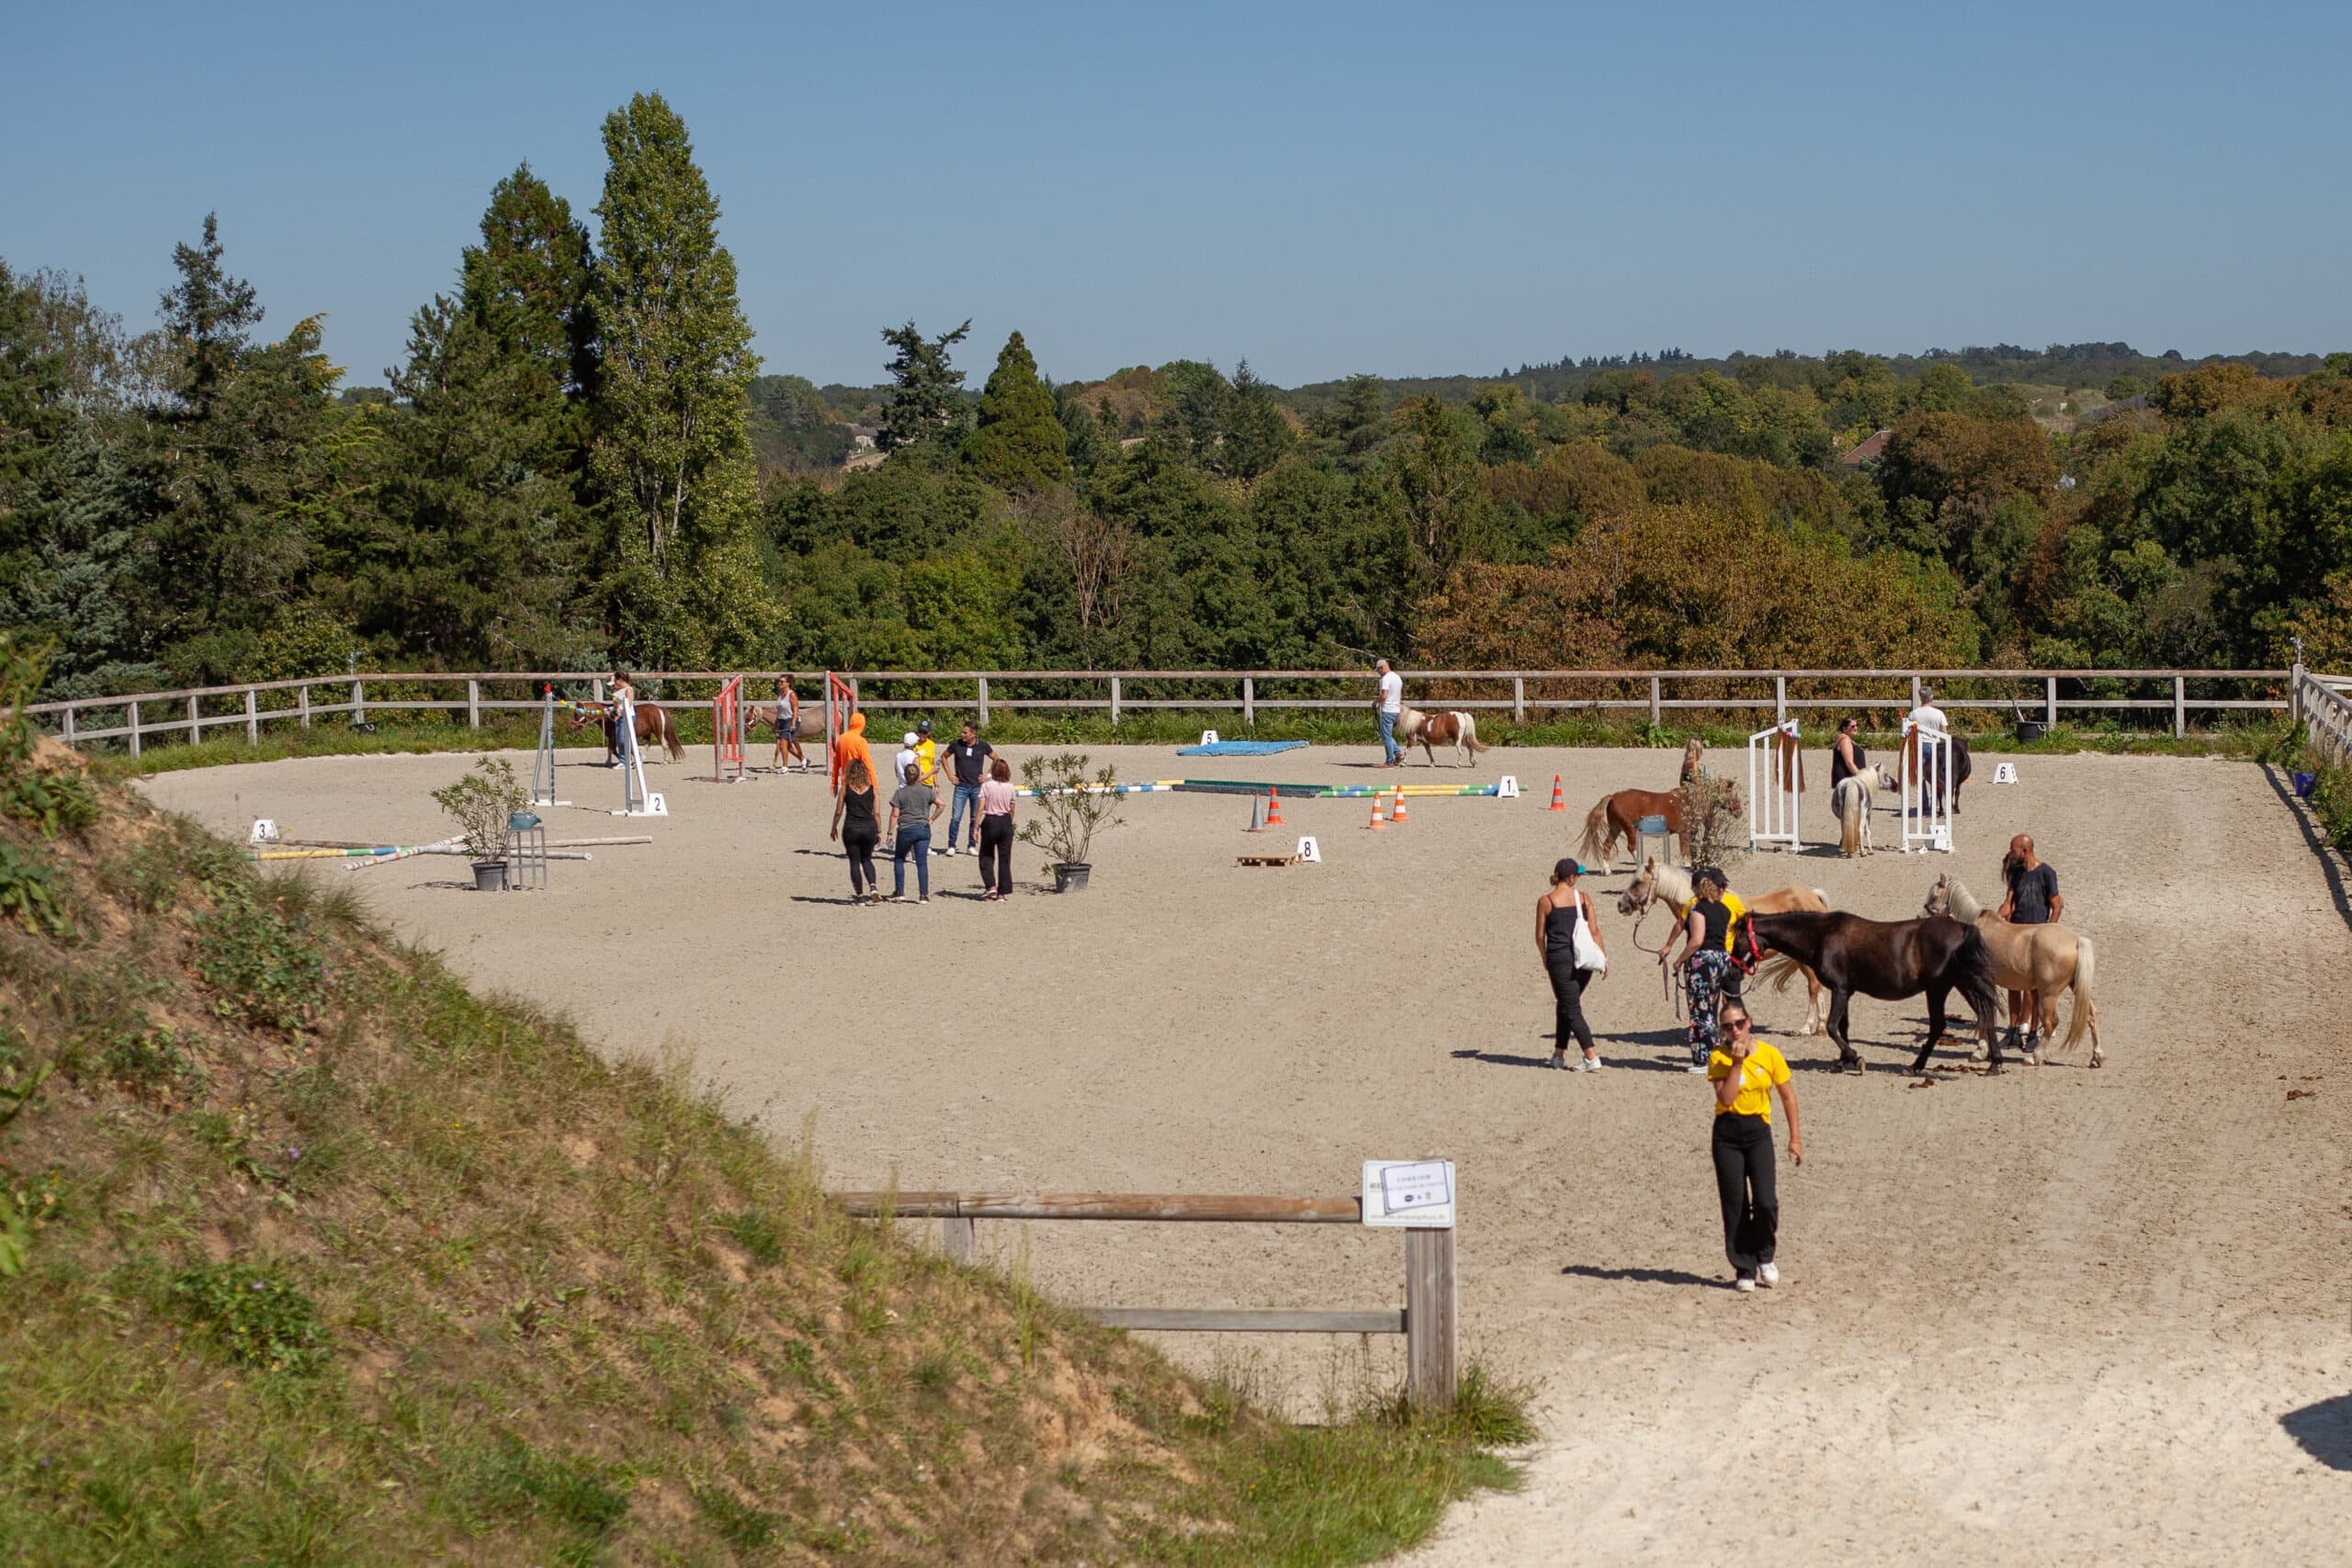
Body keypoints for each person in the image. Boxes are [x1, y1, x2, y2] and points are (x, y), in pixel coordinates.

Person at [1708, 1002, 1803, 1292]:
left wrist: (1795, 1138)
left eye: (1738, 1024)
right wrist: (1736, 1064)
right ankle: (1744, 1267)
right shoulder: (1718, 1057)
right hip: (1727, 1135)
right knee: (1735, 1203)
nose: (1734, 1031)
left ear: (1749, 1023)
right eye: (1727, 1026)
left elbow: (1787, 1097)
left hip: (1758, 1132)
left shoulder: (1770, 1054)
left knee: (1764, 1200)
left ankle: (1765, 1255)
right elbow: (1726, 1098)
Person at [1665, 867, 1739, 1073]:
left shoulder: (1697, 910)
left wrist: (1679, 960)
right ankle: (1714, 1055)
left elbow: (1696, 940)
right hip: (1722, 959)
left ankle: (1704, 1059)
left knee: (1700, 1011)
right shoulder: (1724, 910)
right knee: (1711, 1008)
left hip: (1703, 962)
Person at [1536, 859, 1607, 1070]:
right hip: (1584, 960)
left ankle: (1591, 1056)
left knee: (1571, 1008)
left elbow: (1540, 937)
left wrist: (1544, 957)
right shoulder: (1584, 898)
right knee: (1565, 1005)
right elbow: (1595, 931)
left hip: (1561, 960)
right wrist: (1603, 957)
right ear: (1572, 877)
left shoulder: (1546, 901)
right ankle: (1558, 1055)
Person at [1996, 833, 2064, 1051]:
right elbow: (2009, 903)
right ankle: (2013, 1031)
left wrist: (2050, 930)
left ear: (2025, 851)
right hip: (2016, 933)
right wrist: (1995, 923)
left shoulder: (2047, 873)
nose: (2011, 853)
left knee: (2035, 988)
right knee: (2012, 985)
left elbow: (2057, 904)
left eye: (2013, 849)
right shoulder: (2016, 873)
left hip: (2036, 937)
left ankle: (2034, 1033)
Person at [888, 761, 941, 903]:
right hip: (923, 828)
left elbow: (894, 814)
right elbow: (941, 805)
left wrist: (889, 833)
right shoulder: (926, 790)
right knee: (922, 862)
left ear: (905, 776)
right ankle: (923, 894)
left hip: (906, 829)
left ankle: (900, 891)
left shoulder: (900, 793)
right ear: (919, 776)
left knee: (899, 859)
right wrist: (931, 819)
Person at [829, 758, 881, 904]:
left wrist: (833, 828)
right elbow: (876, 813)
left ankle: (859, 896)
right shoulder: (873, 789)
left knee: (854, 863)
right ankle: (873, 887)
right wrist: (879, 831)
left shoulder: (845, 789)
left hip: (851, 828)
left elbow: (838, 811)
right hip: (869, 827)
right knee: (867, 860)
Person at [938, 721, 994, 857]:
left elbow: (996, 759)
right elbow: (943, 757)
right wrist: (950, 775)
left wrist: (988, 775)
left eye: (965, 733)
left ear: (973, 734)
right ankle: (951, 845)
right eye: (962, 732)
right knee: (956, 817)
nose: (962, 735)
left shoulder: (983, 746)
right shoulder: (956, 744)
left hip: (976, 787)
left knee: (975, 817)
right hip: (961, 787)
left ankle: (971, 845)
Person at [978, 754, 1018, 899]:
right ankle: (1002, 892)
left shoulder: (987, 786)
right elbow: (1012, 807)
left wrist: (975, 826)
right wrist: (1009, 821)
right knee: (1005, 858)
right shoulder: (1010, 787)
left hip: (990, 820)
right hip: (1005, 821)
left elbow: (980, 808)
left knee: (986, 855)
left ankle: (991, 885)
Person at [830, 710, 874, 795]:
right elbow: (868, 764)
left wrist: (834, 783)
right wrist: (874, 785)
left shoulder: (841, 739)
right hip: (859, 782)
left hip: (845, 781)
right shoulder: (861, 741)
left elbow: (836, 764)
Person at [1374, 659, 1404, 767]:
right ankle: (1398, 753)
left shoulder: (1386, 679)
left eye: (1378, 670)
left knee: (1386, 736)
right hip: (1396, 710)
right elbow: (1400, 696)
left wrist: (1375, 702)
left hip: (1387, 709)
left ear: (1382, 668)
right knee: (1387, 734)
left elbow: (1384, 695)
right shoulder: (1397, 678)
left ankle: (1389, 761)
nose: (1378, 673)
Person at [771, 677, 805, 773]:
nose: (779, 683)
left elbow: (795, 710)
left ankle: (785, 767)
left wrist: (793, 723)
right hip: (782, 720)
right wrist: (775, 724)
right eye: (779, 681)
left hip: (790, 720)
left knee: (782, 743)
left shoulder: (792, 695)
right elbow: (779, 712)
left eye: (782, 681)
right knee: (789, 747)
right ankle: (803, 760)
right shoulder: (780, 694)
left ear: (788, 683)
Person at [1829, 715, 1867, 791]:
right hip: (1848, 782)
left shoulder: (1847, 739)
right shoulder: (1845, 740)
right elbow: (1849, 763)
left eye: (1856, 725)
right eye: (1852, 726)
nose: (1856, 728)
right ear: (1844, 728)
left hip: (1850, 782)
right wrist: (1862, 778)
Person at [915, 718, 940, 789]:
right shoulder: (914, 743)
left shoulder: (931, 745)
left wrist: (936, 785)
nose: (922, 734)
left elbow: (932, 765)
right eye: (920, 731)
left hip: (928, 782)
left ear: (929, 733)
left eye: (925, 732)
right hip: (917, 781)